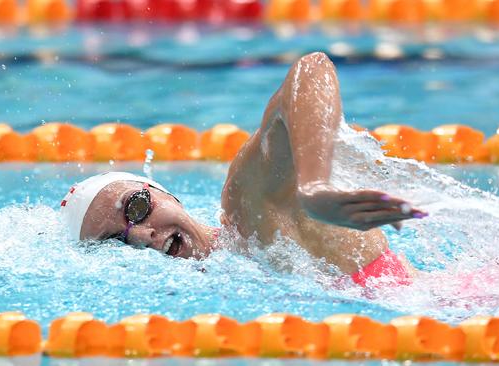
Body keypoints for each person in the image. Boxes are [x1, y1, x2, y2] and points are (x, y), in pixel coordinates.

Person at [60, 52, 427, 287]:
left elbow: (311, 71)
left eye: (135, 208)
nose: (139, 237)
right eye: (114, 243)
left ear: (164, 193)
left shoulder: (250, 211)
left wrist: (313, 187)